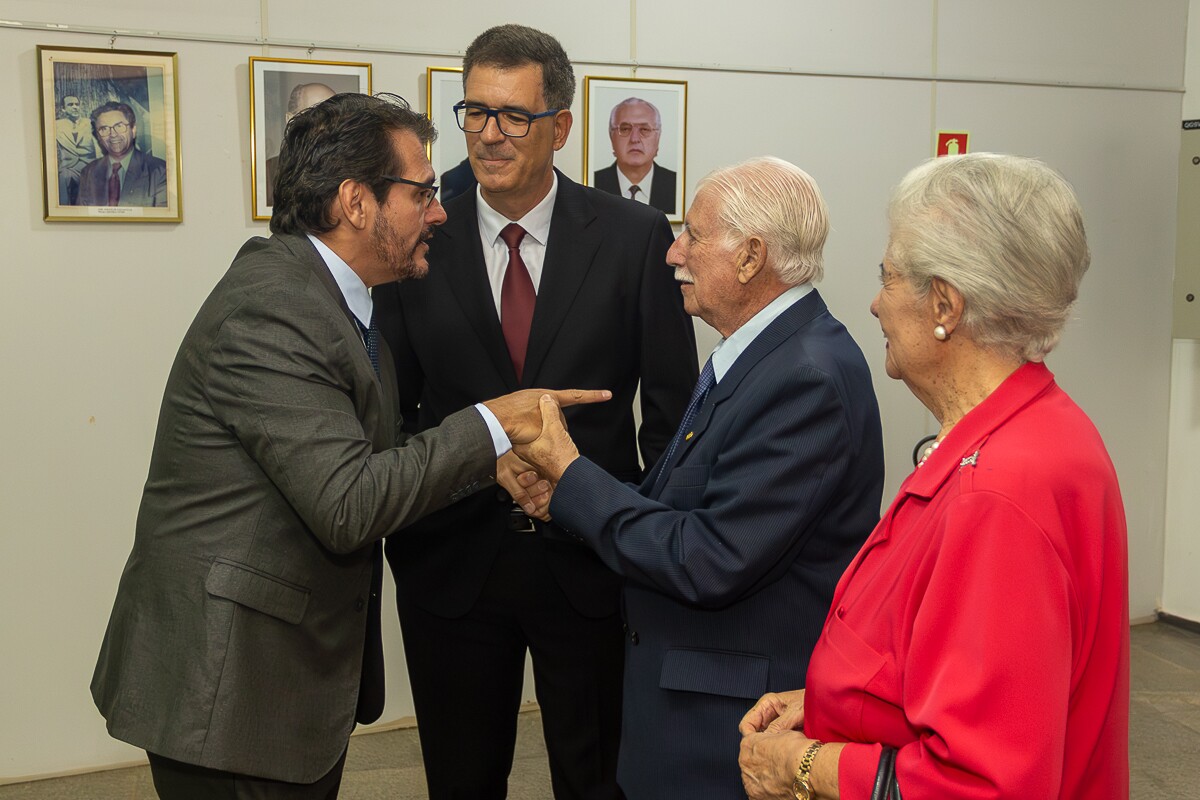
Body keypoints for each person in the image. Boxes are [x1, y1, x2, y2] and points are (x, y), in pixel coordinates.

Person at [90, 92, 609, 799]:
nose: (440, 212)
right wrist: (497, 421)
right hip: (228, 690)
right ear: (356, 202)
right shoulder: (275, 309)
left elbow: (372, 453)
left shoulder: (335, 300)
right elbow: (348, 501)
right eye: (422, 192)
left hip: (272, 682)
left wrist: (489, 466)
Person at [738, 153, 1129, 799]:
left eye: (888, 277)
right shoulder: (1036, 429)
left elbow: (980, 784)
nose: (874, 303)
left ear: (945, 303)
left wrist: (801, 764)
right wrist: (836, 702)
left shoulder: (997, 495)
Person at [373, 24, 698, 800]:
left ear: (559, 124)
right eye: (475, 112)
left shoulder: (634, 238)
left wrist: (637, 532)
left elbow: (673, 417)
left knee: (597, 781)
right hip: (452, 563)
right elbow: (393, 411)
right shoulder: (419, 233)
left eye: (514, 115)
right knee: (461, 779)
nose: (490, 134)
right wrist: (480, 462)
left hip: (590, 567)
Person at [514, 156, 885, 798]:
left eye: (692, 234)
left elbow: (708, 558)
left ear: (750, 257)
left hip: (730, 727)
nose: (672, 252)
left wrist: (571, 474)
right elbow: (687, 509)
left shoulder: (804, 378)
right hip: (696, 711)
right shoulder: (762, 355)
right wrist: (563, 498)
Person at [593, 98, 677, 213]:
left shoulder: (675, 185)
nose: (635, 139)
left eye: (644, 129)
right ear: (611, 136)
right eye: (625, 129)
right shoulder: (593, 184)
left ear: (658, 137)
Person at [77, 101, 167, 207]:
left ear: (133, 130)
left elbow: (161, 221)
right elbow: (83, 220)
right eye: (104, 129)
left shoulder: (160, 170)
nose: (113, 134)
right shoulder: (88, 172)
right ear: (98, 137)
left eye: (119, 126)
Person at [266, 82, 337, 205]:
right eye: (316, 115)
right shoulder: (270, 171)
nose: (326, 126)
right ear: (291, 120)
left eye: (334, 116)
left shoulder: (354, 174)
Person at [55, 94, 96, 205]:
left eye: (77, 104)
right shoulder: (56, 125)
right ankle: (63, 211)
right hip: (69, 167)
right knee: (63, 176)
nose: (75, 107)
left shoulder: (90, 123)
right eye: (70, 104)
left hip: (89, 165)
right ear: (63, 109)